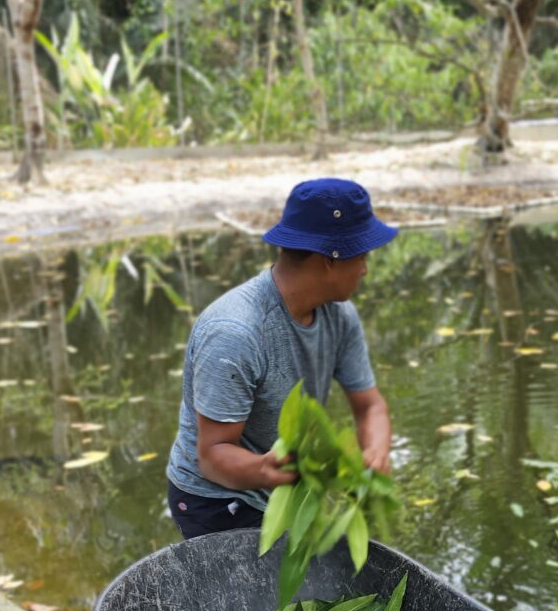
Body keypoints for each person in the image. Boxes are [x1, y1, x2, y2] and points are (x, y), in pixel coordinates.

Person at [166, 177, 397, 540]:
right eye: (362, 255)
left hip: (282, 487)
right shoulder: (236, 332)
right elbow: (212, 456)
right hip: (213, 497)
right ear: (328, 260)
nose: (366, 268)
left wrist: (376, 451)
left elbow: (370, 407)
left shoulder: (340, 315)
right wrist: (265, 469)